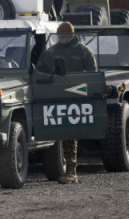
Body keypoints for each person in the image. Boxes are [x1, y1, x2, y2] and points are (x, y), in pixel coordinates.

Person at [37, 21, 97, 184]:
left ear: (71, 36)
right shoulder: (51, 52)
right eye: (60, 37)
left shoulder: (83, 51)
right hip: (55, 94)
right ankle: (55, 169)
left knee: (69, 132)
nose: (62, 39)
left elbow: (92, 75)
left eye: (65, 37)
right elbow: (41, 70)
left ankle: (71, 171)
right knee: (54, 132)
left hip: (75, 95)